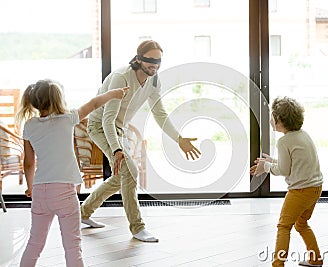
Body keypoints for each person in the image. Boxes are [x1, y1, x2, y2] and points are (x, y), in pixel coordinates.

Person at [80, 40, 201, 242]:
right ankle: (137, 227)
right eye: (150, 61)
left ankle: (83, 213)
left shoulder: (154, 81)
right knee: (130, 171)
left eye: (158, 61)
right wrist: (117, 149)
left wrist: (179, 139)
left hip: (120, 129)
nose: (154, 65)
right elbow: (107, 119)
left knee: (122, 176)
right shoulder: (121, 78)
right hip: (100, 126)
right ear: (138, 59)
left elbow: (159, 113)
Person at [16, 79, 128, 267]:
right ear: (58, 100)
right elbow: (93, 104)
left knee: (34, 243)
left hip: (40, 193)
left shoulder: (30, 125)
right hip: (64, 192)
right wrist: (113, 94)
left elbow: (28, 163)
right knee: (72, 245)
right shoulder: (67, 118)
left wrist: (30, 186)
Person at [250, 96, 324, 267]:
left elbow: (284, 171)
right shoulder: (303, 135)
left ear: (279, 121)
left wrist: (267, 166)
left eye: (272, 115)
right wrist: (272, 162)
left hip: (300, 191)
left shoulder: (284, 141)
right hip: (316, 188)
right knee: (301, 224)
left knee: (283, 227)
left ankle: (278, 264)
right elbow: (295, 164)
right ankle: (316, 259)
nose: (270, 119)